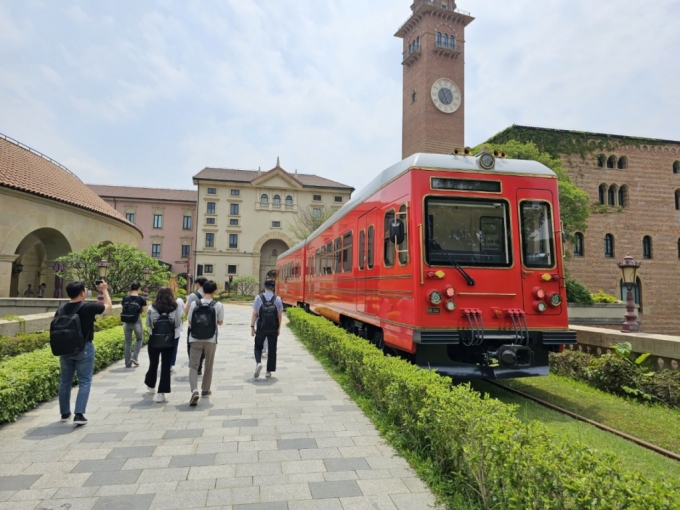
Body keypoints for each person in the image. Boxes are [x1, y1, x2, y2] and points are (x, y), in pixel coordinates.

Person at [57, 281, 112, 425]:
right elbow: (108, 307)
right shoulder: (88, 307)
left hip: (65, 349)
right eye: (85, 290)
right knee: (85, 381)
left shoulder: (61, 309)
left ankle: (64, 413)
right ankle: (79, 414)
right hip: (84, 349)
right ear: (82, 293)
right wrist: (104, 290)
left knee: (64, 382)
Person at [187, 280, 224, 405]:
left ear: (203, 290)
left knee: (193, 366)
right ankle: (205, 390)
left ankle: (194, 391)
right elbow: (220, 322)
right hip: (211, 339)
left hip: (195, 338)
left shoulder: (194, 303)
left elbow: (190, 321)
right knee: (208, 365)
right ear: (215, 291)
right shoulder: (218, 305)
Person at [145, 287, 182, 403]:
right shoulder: (174, 308)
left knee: (153, 363)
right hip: (170, 340)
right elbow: (177, 324)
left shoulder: (152, 308)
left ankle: (151, 387)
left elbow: (147, 324)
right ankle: (161, 394)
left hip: (154, 339)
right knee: (165, 366)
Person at [251, 279, 283, 379]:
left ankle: (259, 363)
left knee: (258, 346)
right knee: (272, 349)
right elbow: (279, 315)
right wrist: (278, 328)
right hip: (273, 328)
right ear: (273, 287)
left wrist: (252, 327)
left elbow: (255, 314)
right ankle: (268, 372)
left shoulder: (258, 297)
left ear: (264, 287)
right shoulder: (277, 298)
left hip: (261, 327)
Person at [121, 282, 147, 368]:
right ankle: (134, 357)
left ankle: (128, 363)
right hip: (136, 321)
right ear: (139, 288)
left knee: (128, 342)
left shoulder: (125, 298)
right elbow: (144, 311)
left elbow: (123, 309)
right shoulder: (141, 298)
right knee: (139, 339)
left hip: (126, 322)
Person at [184, 277, 207, 374]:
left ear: (197, 284)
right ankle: (200, 366)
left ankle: (195, 366)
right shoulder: (208, 294)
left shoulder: (193, 296)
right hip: (206, 325)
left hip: (194, 326)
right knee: (203, 346)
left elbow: (187, 311)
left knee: (191, 346)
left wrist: (186, 301)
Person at [170, 295, 185, 372]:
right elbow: (178, 322)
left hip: (162, 332)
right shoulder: (176, 305)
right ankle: (170, 364)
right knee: (174, 348)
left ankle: (165, 363)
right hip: (175, 331)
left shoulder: (157, 306)